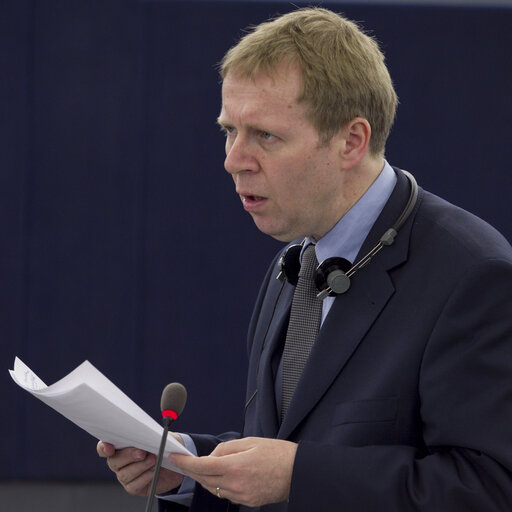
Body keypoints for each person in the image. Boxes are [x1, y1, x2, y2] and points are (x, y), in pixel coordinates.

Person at [97, 7, 512, 511]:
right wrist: (189, 467)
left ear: (351, 141)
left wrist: (299, 475)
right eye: (229, 130)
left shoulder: (473, 275)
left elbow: (489, 488)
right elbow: (291, 449)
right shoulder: (294, 263)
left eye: (265, 136)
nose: (233, 159)